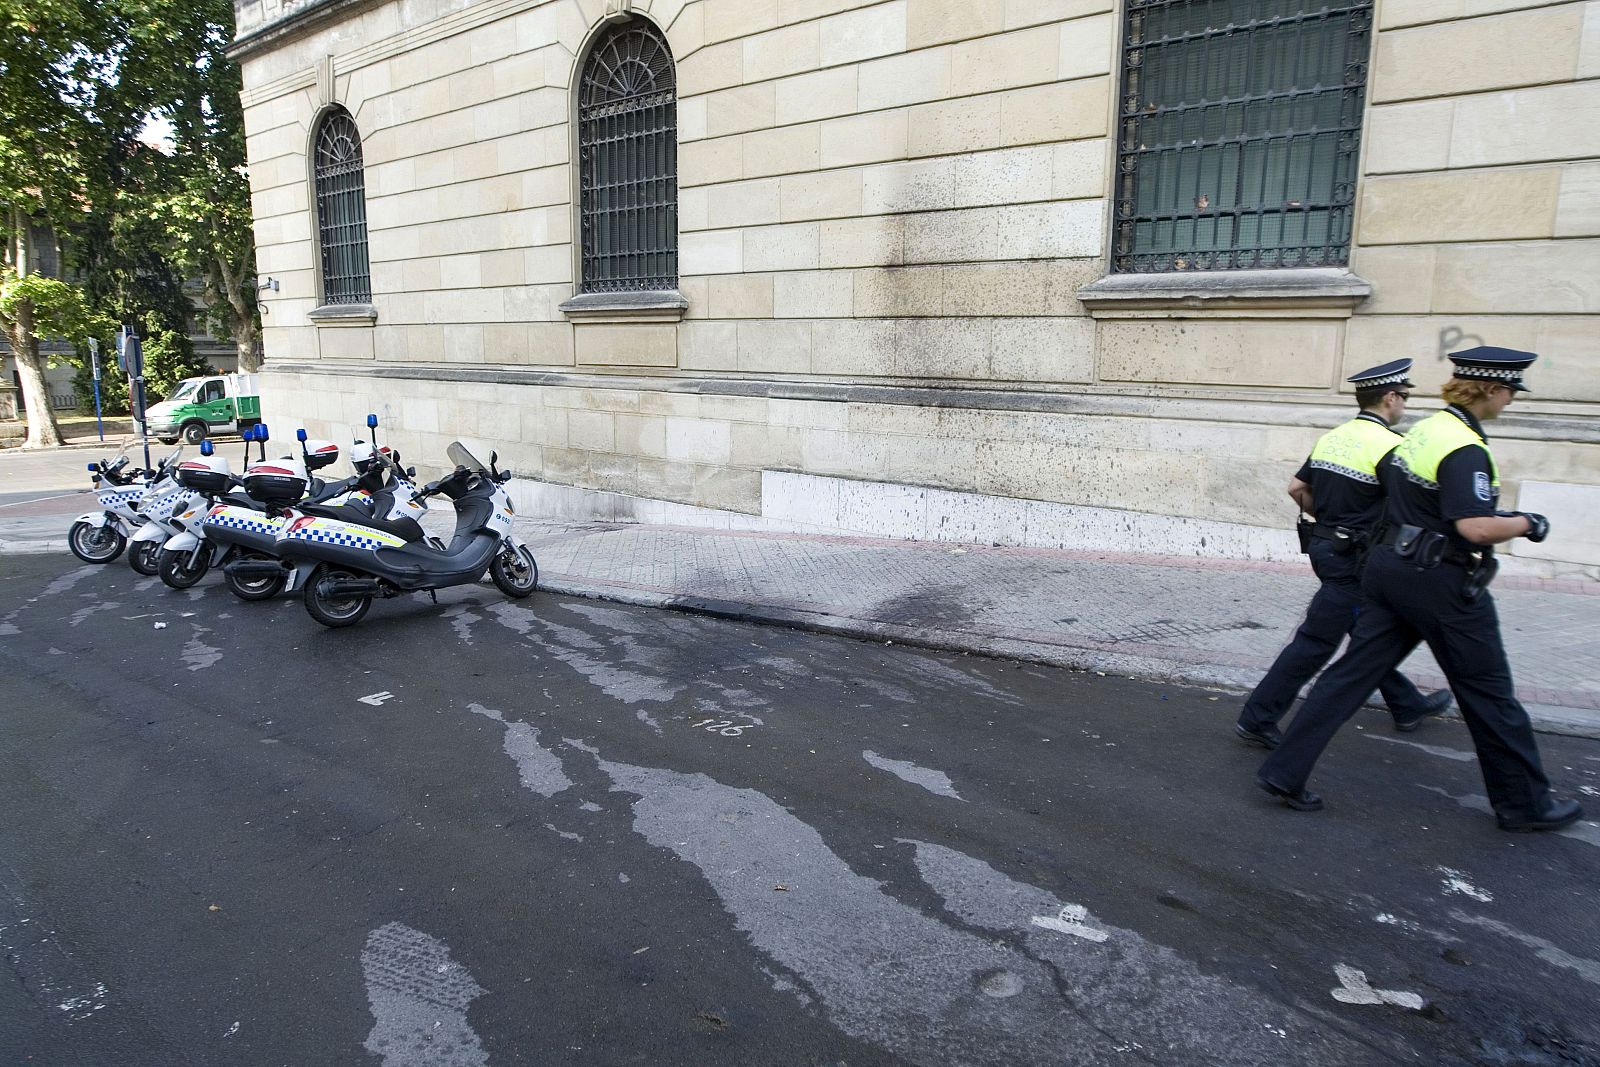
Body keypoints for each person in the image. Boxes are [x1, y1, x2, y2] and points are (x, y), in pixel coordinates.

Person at [1255, 347, 1584, 833]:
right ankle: (1524, 804)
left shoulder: (1425, 430)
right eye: (1510, 390)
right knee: (1489, 692)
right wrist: (1527, 523)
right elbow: (1472, 526)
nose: (1511, 399)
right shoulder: (1464, 447)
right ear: (1491, 389)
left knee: (1347, 676)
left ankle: (1284, 771)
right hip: (1438, 580)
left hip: (1387, 572)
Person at [1235, 359, 1450, 749]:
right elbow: (1408, 510)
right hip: (1355, 560)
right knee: (1317, 641)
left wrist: (1331, 519)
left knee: (1372, 632)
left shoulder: (1333, 438)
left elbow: (1296, 488)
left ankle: (1407, 704)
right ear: (1390, 397)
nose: (1404, 405)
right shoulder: (1391, 447)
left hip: (1327, 547)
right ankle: (1258, 717)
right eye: (1403, 397)